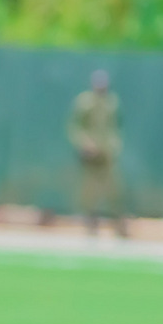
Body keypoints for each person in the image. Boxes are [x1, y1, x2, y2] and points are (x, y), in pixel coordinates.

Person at [67, 71, 125, 237]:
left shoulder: (111, 102)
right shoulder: (85, 102)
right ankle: (91, 224)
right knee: (89, 191)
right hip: (90, 156)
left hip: (107, 154)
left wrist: (114, 146)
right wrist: (85, 143)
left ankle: (118, 225)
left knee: (114, 189)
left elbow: (115, 127)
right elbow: (75, 127)